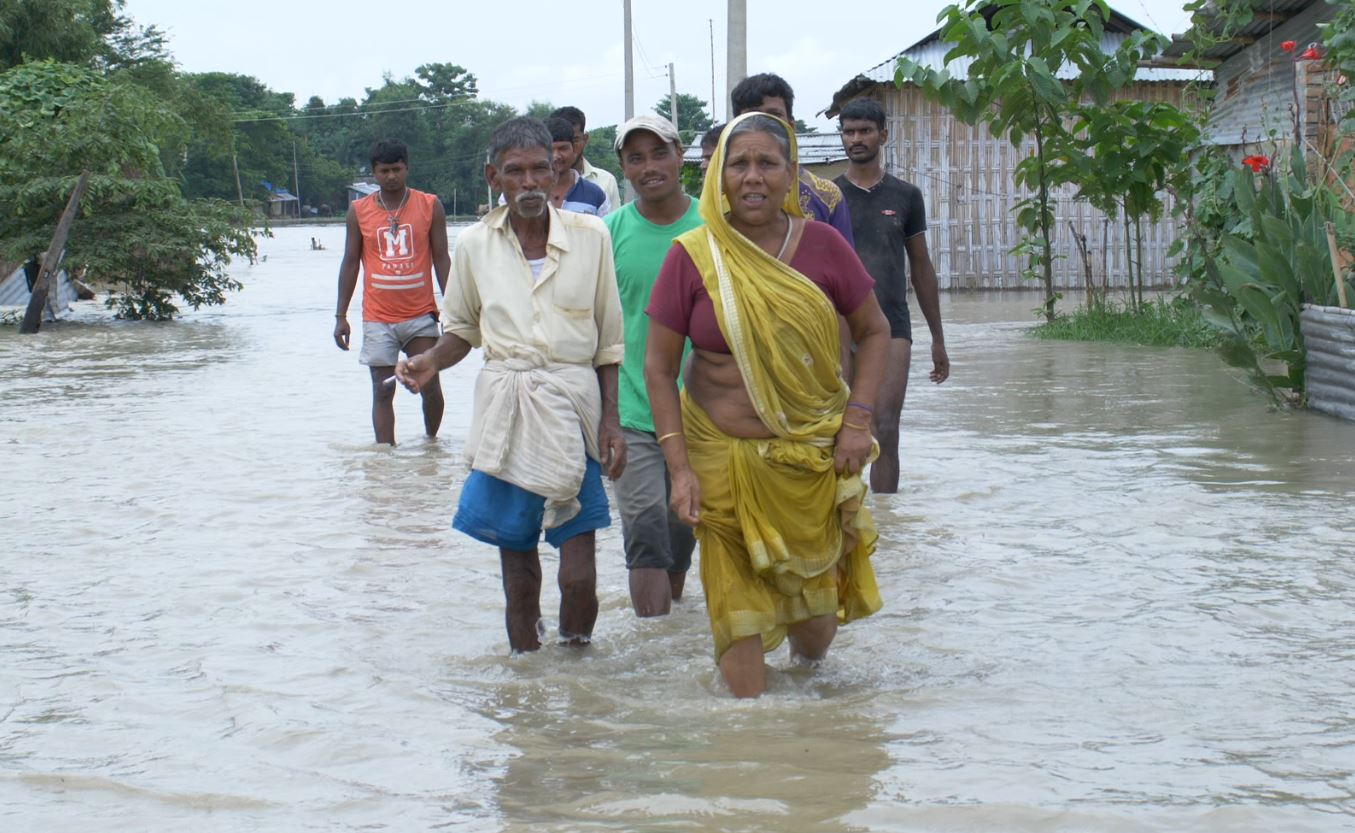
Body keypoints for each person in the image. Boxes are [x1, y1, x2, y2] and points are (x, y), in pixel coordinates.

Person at [644, 113, 892, 698]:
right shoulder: (693, 255)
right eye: (739, 164)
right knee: (740, 626)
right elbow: (657, 367)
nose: (752, 177)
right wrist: (679, 471)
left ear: (790, 175)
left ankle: (807, 749)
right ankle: (749, 754)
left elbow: (875, 332)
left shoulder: (825, 247)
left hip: (809, 460)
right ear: (718, 177)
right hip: (719, 460)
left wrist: (858, 422)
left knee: (816, 629)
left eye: (767, 163)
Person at [396, 117, 626, 653]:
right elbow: (462, 332)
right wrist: (429, 361)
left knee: (579, 577)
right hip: (507, 406)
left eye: (540, 170)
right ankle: (527, 680)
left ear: (557, 171)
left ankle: (576, 668)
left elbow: (609, 343)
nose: (528, 183)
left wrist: (612, 419)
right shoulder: (475, 245)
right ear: (493, 177)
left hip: (574, 408)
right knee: (518, 573)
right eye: (515, 172)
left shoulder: (592, 238)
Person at [605, 115, 704, 617]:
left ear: (680, 156)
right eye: (636, 158)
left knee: (682, 532)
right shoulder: (609, 234)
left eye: (659, 154)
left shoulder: (716, 227)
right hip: (633, 410)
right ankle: (653, 649)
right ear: (622, 167)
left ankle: (672, 643)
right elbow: (593, 326)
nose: (649, 167)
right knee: (644, 532)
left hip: (705, 411)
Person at [834, 98, 950, 494]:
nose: (856, 138)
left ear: (883, 135)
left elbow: (921, 267)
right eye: (849, 131)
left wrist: (938, 338)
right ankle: (842, 521)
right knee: (838, 425)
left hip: (891, 324)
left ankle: (889, 528)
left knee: (885, 425)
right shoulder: (828, 198)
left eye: (865, 130)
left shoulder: (905, 196)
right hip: (839, 325)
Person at [334, 138, 449, 445]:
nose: (391, 177)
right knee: (382, 389)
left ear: (407, 168)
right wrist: (340, 315)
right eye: (384, 171)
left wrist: (452, 307)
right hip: (377, 317)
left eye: (397, 170)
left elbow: (441, 258)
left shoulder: (429, 205)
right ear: (374, 173)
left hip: (420, 314)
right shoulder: (358, 212)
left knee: (429, 383)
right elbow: (350, 263)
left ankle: (431, 444)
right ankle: (385, 460)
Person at [730, 73, 854, 245]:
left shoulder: (827, 196)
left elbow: (843, 268)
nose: (764, 125)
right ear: (734, 127)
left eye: (774, 115)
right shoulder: (720, 197)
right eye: (754, 117)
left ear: (791, 126)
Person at [551, 106, 623, 211]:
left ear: (585, 139)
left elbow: (612, 225)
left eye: (574, 140)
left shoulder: (606, 181)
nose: (557, 155)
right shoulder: (535, 186)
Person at [546, 116, 610, 217]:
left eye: (563, 148)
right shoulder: (529, 193)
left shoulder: (596, 196)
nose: (556, 156)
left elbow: (605, 232)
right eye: (550, 149)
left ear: (574, 149)